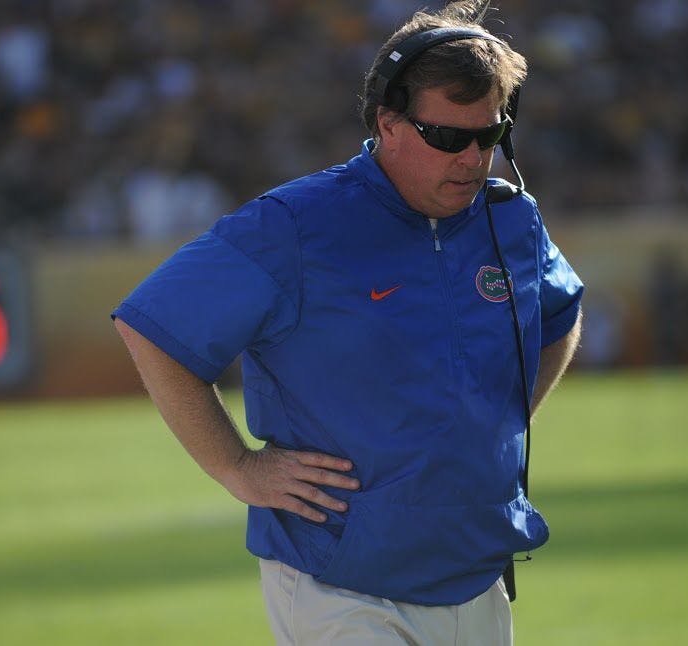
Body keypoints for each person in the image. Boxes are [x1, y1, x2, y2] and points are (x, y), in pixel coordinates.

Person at [112, 1, 583, 643]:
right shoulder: (297, 225)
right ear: (389, 122)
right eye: (448, 136)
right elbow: (152, 327)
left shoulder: (514, 221)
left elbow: (558, 315)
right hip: (338, 584)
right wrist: (237, 469)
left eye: (491, 135)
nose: (474, 158)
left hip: (476, 574)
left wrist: (505, 416)